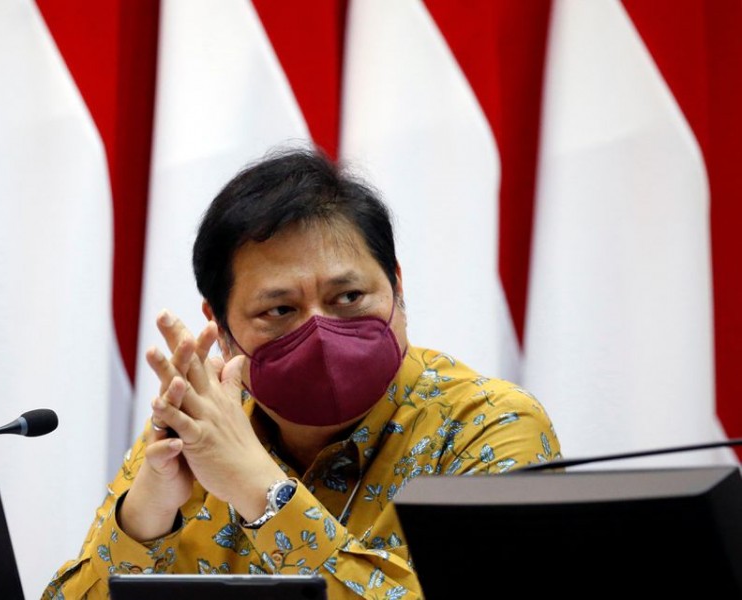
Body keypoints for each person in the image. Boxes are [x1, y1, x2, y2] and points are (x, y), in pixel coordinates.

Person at [42, 147, 561, 599]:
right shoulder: (200, 429)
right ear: (220, 328)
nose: (321, 334)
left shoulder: (489, 427)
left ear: (397, 287)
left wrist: (260, 491)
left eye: (349, 297)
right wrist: (145, 517)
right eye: (280, 310)